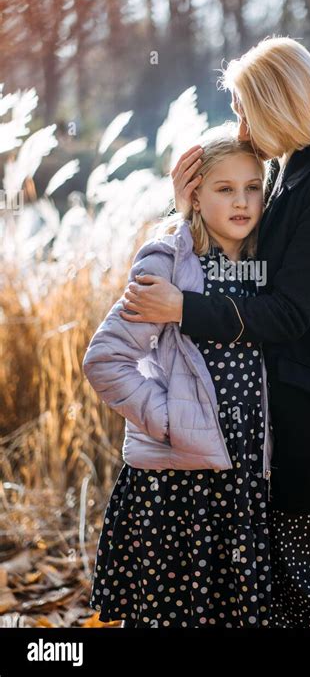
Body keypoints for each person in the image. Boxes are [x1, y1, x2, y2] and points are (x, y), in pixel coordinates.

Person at [119, 36, 310, 627]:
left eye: (245, 109)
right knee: (290, 593)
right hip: (288, 415)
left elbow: (287, 311)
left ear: (277, 104)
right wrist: (186, 208)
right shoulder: (298, 166)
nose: (239, 126)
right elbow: (245, 263)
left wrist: (181, 308)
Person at [82, 130, 274, 628]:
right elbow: (106, 360)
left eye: (253, 187)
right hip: (177, 483)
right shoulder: (169, 260)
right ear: (194, 194)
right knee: (171, 614)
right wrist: (170, 421)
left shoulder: (269, 265)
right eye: (224, 188)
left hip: (244, 477)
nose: (241, 201)